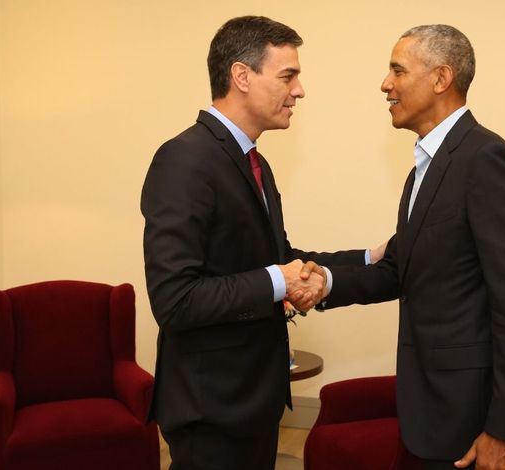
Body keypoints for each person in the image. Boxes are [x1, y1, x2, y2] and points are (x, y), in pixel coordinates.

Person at [308, 25, 505, 470]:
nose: (385, 84)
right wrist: (324, 281)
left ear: (441, 79)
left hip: (468, 416)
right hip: (426, 410)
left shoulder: (486, 160)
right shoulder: (426, 166)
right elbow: (404, 268)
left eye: (397, 70)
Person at [140, 16, 377, 470]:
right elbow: (175, 299)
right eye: (288, 75)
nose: (300, 90)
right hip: (212, 410)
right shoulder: (184, 160)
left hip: (252, 401)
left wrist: (370, 259)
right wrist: (276, 281)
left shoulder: (255, 163)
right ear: (242, 76)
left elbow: (281, 261)